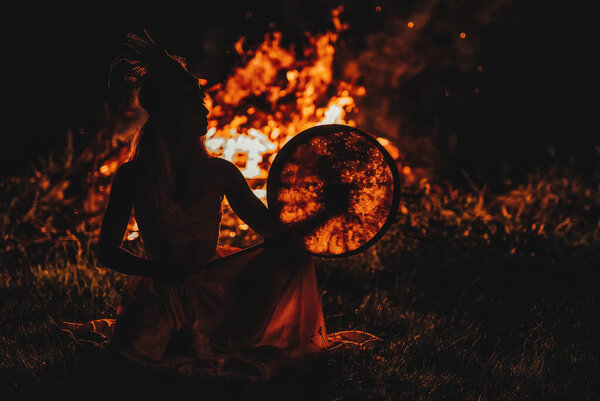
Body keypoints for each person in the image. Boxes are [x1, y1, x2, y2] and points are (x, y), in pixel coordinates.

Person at [64, 33, 330, 380]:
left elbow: (274, 234)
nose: (205, 108)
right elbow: (107, 253)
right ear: (169, 111)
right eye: (192, 101)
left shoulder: (221, 172)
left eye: (201, 98)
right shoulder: (133, 176)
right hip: (162, 294)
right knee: (134, 358)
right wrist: (159, 271)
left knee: (291, 256)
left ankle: (218, 329)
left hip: (215, 289)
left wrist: (324, 212)